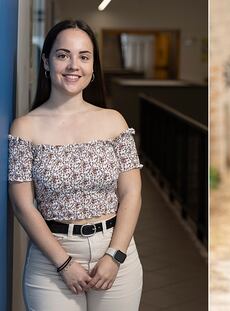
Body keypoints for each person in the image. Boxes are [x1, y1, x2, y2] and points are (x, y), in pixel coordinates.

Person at [8, 20, 143, 310]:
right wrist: (65, 264)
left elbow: (131, 194)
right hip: (52, 259)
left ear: (93, 68)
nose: (73, 65)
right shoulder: (25, 128)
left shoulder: (114, 121)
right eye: (62, 55)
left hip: (115, 252)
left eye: (83, 56)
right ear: (46, 61)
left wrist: (115, 256)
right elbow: (23, 206)